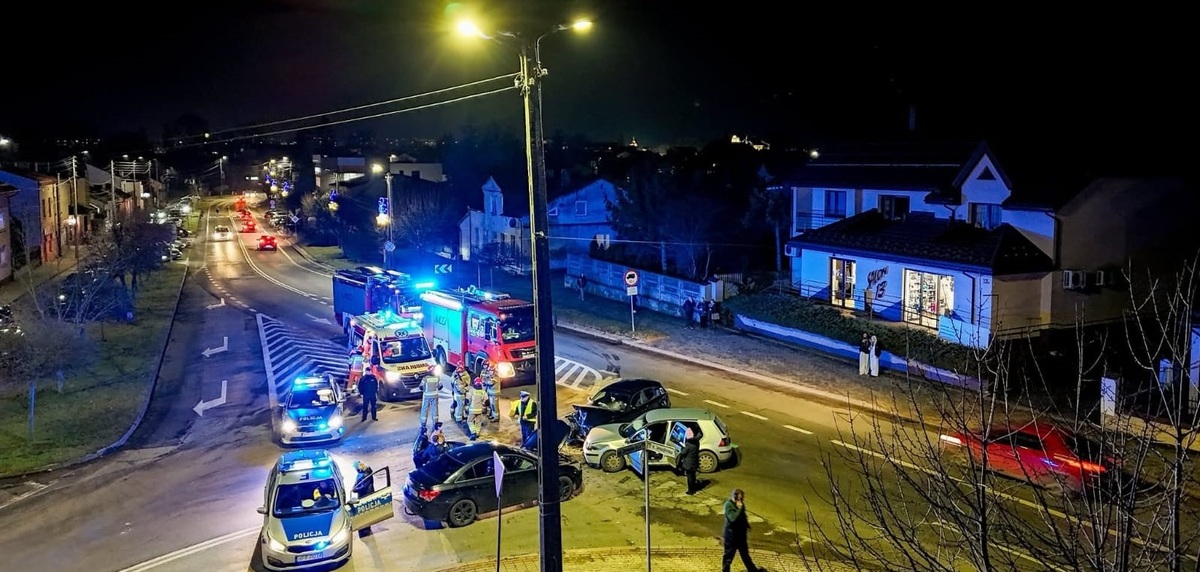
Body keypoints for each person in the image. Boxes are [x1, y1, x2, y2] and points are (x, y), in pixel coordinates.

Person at [722, 488, 758, 572]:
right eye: (739, 498)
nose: (741, 500)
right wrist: (739, 508)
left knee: (745, 555)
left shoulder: (740, 504)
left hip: (741, 535)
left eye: (742, 498)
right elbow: (733, 519)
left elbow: (743, 515)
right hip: (732, 536)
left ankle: (753, 570)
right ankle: (725, 570)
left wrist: (747, 525)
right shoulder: (728, 505)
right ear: (735, 497)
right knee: (728, 556)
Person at [352, 461, 375, 537]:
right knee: (364, 513)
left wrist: (355, 489)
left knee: (365, 513)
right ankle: (365, 529)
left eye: (355, 468)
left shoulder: (366, 474)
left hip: (365, 496)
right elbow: (358, 482)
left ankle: (365, 530)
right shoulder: (362, 473)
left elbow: (364, 487)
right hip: (363, 495)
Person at [419, 364, 441, 429]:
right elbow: (440, 386)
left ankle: (423, 424)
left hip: (427, 396)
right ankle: (435, 423)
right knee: (435, 409)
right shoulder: (437, 377)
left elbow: (421, 386)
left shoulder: (425, 378)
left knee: (425, 409)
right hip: (435, 396)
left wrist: (424, 390)